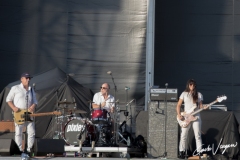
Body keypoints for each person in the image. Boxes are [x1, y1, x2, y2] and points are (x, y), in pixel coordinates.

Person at [6, 73, 38, 156]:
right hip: (19, 112)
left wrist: (33, 106)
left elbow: (35, 101)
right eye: (26, 78)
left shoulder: (31, 89)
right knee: (18, 132)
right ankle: (19, 149)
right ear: (22, 79)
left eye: (29, 78)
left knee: (31, 131)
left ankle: (29, 149)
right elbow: (8, 99)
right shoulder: (15, 88)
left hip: (29, 112)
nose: (28, 80)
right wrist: (13, 107)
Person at [176, 79, 206, 158]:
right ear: (188, 85)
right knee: (184, 134)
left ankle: (199, 152)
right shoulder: (184, 93)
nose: (192, 86)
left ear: (195, 85)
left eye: (193, 85)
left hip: (196, 116)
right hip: (187, 116)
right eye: (190, 84)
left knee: (198, 135)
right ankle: (181, 151)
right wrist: (179, 114)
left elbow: (200, 106)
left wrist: (205, 107)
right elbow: (178, 105)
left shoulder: (199, 94)